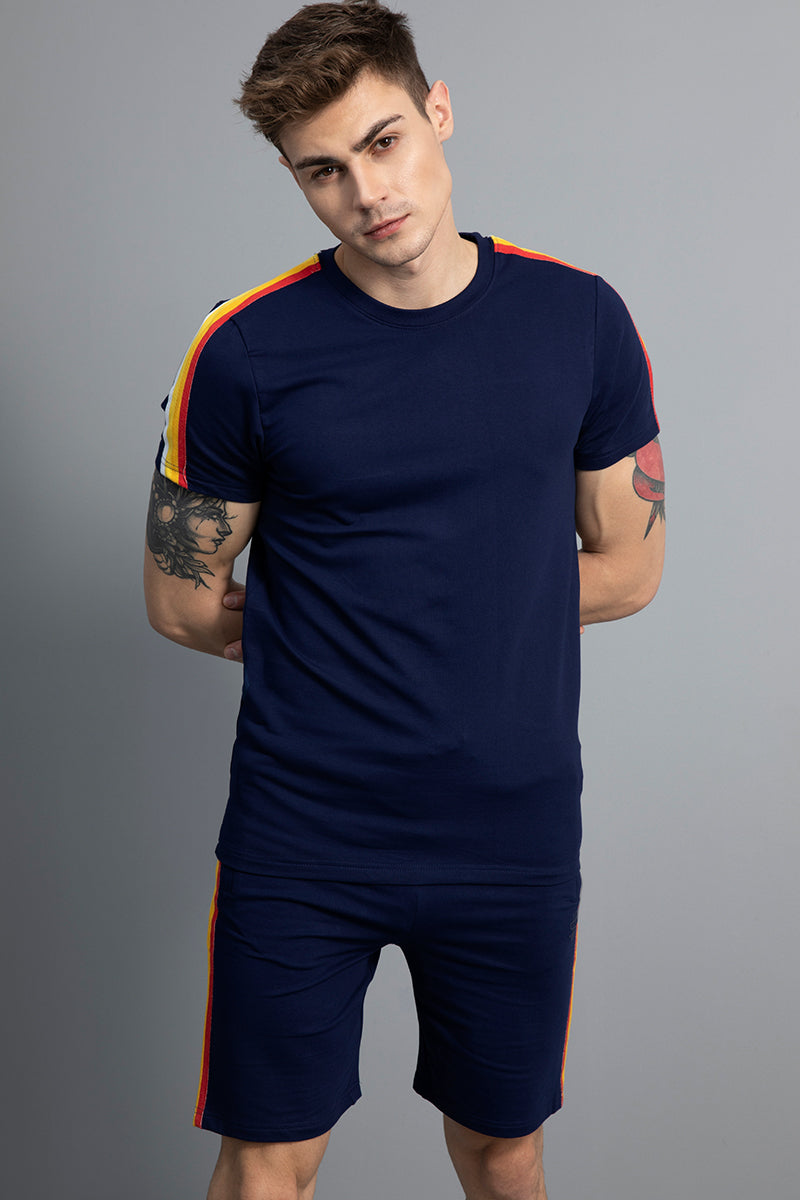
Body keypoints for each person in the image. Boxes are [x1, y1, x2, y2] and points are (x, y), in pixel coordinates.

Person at [144, 2, 665, 1197]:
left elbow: (628, 566)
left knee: (502, 1148)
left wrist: (440, 619)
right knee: (269, 1158)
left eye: (382, 142)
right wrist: (336, 641)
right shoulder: (242, 351)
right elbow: (181, 602)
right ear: (295, 179)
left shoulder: (576, 319)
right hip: (303, 829)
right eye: (321, 170)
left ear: (437, 112)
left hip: (509, 827)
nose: (365, 191)